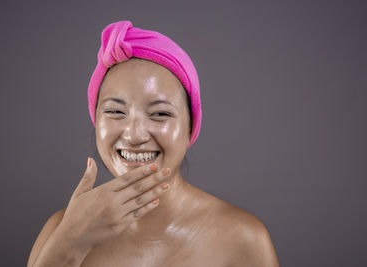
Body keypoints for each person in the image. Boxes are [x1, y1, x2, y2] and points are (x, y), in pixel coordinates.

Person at [27, 21, 279, 267]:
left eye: (160, 114)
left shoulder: (243, 238)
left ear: (191, 127)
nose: (134, 135)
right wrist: (70, 243)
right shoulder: (59, 232)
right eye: (115, 111)